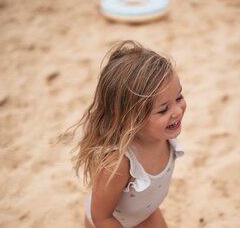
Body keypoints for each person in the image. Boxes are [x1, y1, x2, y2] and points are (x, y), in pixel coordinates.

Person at [72, 40, 187, 228]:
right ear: (130, 119)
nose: (177, 111)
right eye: (163, 109)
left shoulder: (163, 135)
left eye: (179, 97)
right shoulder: (118, 163)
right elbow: (101, 216)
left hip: (146, 214)